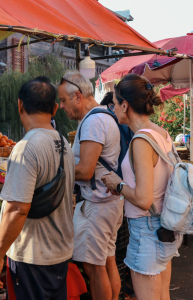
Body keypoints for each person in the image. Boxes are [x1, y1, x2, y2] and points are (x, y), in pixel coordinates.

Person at [0, 77, 75, 299]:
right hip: (59, 251)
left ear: (19, 105)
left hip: (33, 256)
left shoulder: (26, 147)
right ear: (55, 108)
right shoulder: (63, 142)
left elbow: (17, 208)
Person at [101, 73, 181, 300]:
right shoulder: (161, 133)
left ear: (125, 105)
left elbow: (144, 199)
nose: (113, 108)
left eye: (114, 103)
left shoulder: (141, 141)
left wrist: (117, 184)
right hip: (164, 227)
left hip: (147, 230)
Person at [58, 71, 123, 300]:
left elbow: (85, 171)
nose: (61, 107)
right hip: (110, 202)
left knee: (94, 268)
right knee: (107, 261)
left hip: (97, 205)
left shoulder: (94, 122)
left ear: (77, 96)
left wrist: (55, 170)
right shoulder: (104, 115)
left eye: (63, 101)